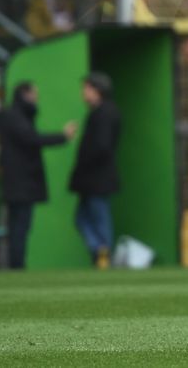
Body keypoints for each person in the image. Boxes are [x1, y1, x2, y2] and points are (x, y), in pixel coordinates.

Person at [0, 82, 76, 269]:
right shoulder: (15, 117)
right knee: (19, 227)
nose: (36, 98)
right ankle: (17, 267)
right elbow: (32, 139)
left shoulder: (14, 115)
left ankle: (17, 265)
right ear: (25, 94)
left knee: (20, 227)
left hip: (18, 182)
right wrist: (62, 137)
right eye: (34, 94)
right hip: (21, 182)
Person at [69, 73, 122, 268]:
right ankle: (99, 250)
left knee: (98, 217)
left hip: (97, 178)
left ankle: (103, 253)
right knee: (82, 218)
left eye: (86, 88)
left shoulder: (105, 112)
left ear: (97, 90)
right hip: (92, 178)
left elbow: (102, 147)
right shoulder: (100, 111)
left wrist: (86, 165)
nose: (83, 92)